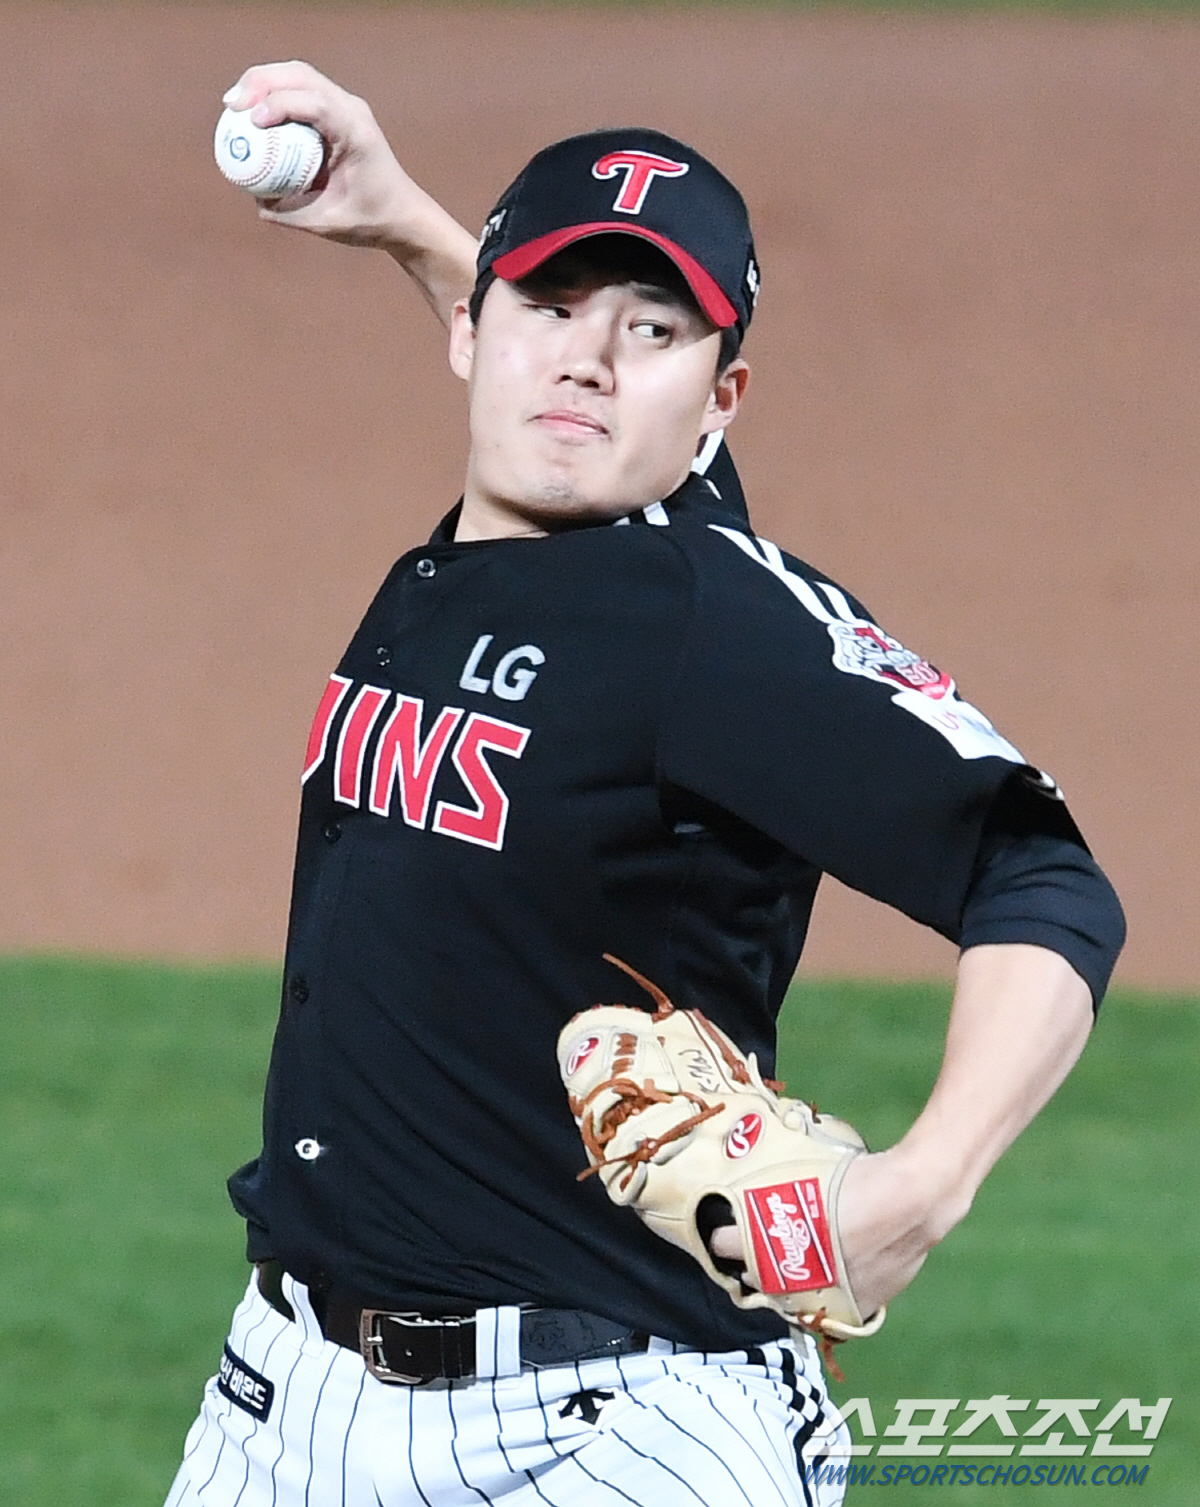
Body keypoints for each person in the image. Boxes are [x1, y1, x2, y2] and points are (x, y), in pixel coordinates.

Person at [165, 62, 1124, 1507]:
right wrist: (402, 217)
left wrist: (920, 1191)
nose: (589, 362)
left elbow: (1042, 877)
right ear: (474, 329)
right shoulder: (497, 527)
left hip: (607, 1431)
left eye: (655, 331)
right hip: (282, 1404)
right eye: (548, 308)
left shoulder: (712, 623)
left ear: (720, 397)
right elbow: (554, 376)